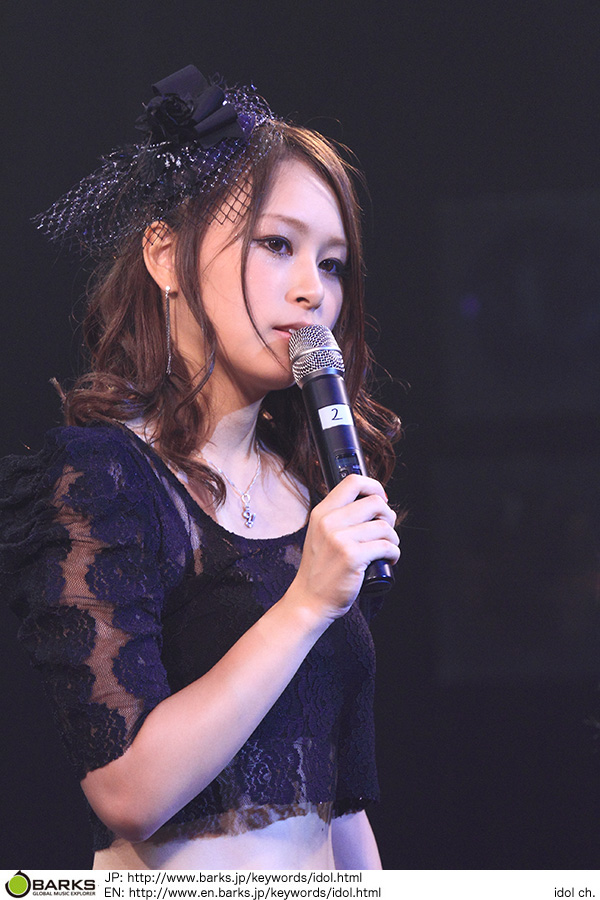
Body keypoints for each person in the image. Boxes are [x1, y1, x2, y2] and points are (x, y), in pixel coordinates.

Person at [0, 65, 401, 870]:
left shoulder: (310, 493)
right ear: (165, 256)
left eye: (331, 264)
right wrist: (305, 603)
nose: (312, 292)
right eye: (276, 245)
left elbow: (336, 805)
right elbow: (130, 791)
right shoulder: (104, 478)